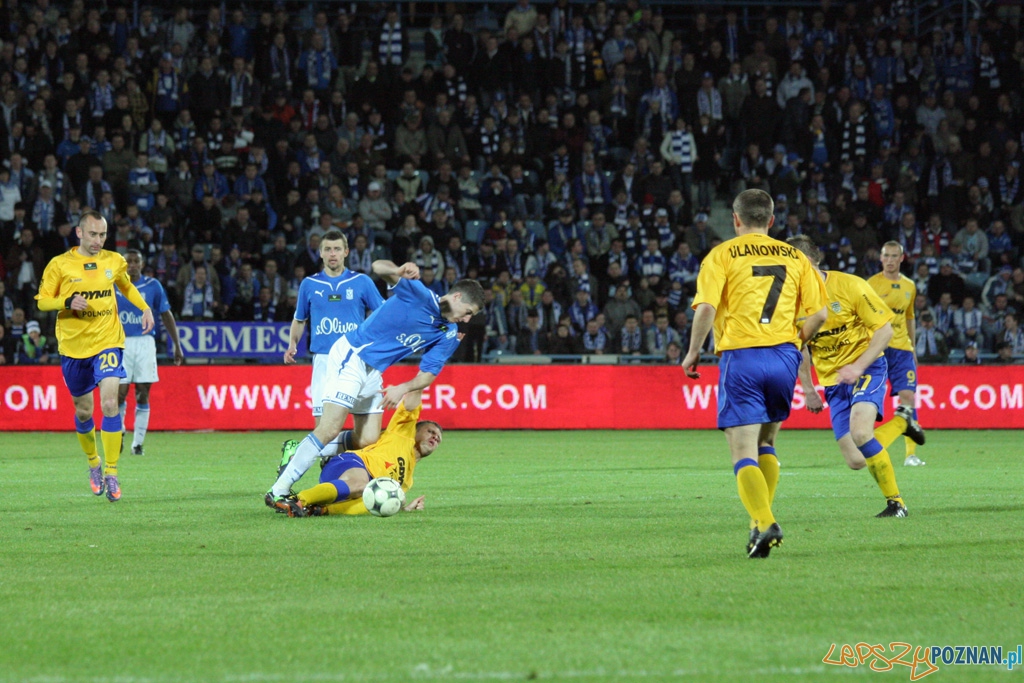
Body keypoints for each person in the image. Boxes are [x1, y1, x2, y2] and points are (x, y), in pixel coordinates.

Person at [266, 261, 484, 512]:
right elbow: (377, 266)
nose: (466, 319)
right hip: (352, 354)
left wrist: (401, 388)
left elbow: (427, 375)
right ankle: (278, 490)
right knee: (329, 427)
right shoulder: (419, 293)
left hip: (373, 371)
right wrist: (398, 270)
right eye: (468, 311)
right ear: (457, 296)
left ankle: (299, 448)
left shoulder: (448, 332)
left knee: (368, 438)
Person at [681, 189, 828, 559]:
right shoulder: (796, 256)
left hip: (742, 357)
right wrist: (796, 343)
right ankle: (756, 526)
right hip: (784, 357)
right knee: (767, 444)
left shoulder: (721, 255)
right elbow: (820, 314)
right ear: (772, 221)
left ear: (735, 219)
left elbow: (707, 308)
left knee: (742, 449)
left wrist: (693, 350)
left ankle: (764, 521)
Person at [789, 236, 922, 519]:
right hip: (833, 382)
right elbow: (800, 348)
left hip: (867, 367)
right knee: (856, 460)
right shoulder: (790, 300)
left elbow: (885, 331)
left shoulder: (850, 285)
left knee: (862, 432)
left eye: (800, 264)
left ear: (814, 261)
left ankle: (896, 503)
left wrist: (859, 367)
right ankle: (902, 422)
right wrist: (809, 388)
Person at [34, 210, 154, 501]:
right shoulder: (59, 265)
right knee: (84, 411)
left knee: (111, 403)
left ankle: (112, 471)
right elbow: (42, 302)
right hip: (74, 348)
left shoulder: (114, 260)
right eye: (93, 234)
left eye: (102, 235)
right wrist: (66, 301)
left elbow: (125, 284)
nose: (98, 240)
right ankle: (94, 463)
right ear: (79, 233)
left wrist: (144, 308)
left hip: (107, 341)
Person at [280, 230, 384, 467]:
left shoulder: (362, 282)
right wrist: (292, 344)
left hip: (359, 361)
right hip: (326, 362)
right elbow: (299, 319)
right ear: (320, 253)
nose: (332, 254)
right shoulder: (310, 284)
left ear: (346, 252)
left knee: (368, 438)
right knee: (323, 432)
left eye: (337, 249)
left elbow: (382, 315)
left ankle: (304, 451)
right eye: (327, 249)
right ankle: (331, 482)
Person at [277, 390, 438, 517]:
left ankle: (319, 510)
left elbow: (384, 504)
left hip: (346, 489)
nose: (435, 437)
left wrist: (403, 508)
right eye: (431, 431)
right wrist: (425, 374)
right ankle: (297, 500)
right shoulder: (402, 434)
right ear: (416, 430)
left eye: (438, 439)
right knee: (362, 486)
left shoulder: (407, 481)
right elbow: (413, 397)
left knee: (372, 501)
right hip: (350, 463)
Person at [115, 250, 184, 455]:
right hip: (120, 342)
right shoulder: (114, 285)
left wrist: (177, 345)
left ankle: (137, 444)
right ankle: (117, 434)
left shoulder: (153, 286)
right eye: (129, 261)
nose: (133, 265)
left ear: (142, 264)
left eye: (136, 261)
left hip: (145, 343)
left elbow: (166, 314)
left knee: (143, 392)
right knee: (120, 392)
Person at [867, 241, 927, 466]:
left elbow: (909, 316)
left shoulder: (910, 286)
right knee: (872, 402)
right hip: (878, 349)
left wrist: (912, 347)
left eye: (894, 256)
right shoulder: (871, 284)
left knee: (908, 398)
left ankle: (910, 454)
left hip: (902, 350)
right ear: (881, 258)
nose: (890, 260)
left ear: (902, 258)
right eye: (886, 256)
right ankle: (870, 446)